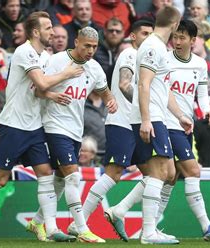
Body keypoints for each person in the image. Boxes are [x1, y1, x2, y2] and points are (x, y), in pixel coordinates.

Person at [0, 11, 82, 243]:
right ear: (36, 32)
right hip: (13, 125)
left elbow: (38, 89)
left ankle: (50, 228)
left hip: (34, 127)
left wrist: (52, 96)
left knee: (45, 173)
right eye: (48, 28)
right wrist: (66, 73)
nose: (53, 32)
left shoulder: (44, 56)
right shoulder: (24, 52)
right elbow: (41, 81)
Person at [62, 19, 153, 242]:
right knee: (114, 172)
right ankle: (79, 221)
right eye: (143, 33)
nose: (147, 38)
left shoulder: (145, 59)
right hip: (122, 122)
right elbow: (124, 84)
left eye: (151, 34)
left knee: (156, 175)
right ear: (133, 36)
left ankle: (123, 213)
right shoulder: (130, 55)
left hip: (136, 124)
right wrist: (147, 110)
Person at [30, 26, 117, 243]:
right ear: (76, 41)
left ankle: (37, 221)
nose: (90, 50)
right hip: (53, 125)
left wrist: (110, 100)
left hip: (75, 130)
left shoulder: (95, 68)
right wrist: (52, 95)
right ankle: (81, 228)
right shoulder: (57, 61)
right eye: (86, 45)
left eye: (94, 47)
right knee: (73, 175)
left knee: (60, 179)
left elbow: (104, 91)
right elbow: (36, 88)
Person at [163, 19, 210, 240]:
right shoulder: (164, 61)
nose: (177, 41)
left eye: (182, 37)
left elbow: (201, 94)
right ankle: (206, 226)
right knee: (192, 171)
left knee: (167, 178)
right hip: (167, 123)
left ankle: (125, 212)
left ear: (194, 40)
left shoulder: (201, 64)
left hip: (185, 125)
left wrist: (207, 110)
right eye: (175, 36)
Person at [132, 6, 192, 244]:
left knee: (168, 173)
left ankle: (148, 229)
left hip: (159, 115)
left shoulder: (159, 48)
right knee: (159, 172)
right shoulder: (152, 47)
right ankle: (147, 233)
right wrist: (146, 120)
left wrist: (179, 115)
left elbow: (162, 88)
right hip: (151, 116)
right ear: (175, 25)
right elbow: (143, 85)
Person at [94, 17, 125, 83]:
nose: (114, 33)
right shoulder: (95, 51)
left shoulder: (126, 51)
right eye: (111, 31)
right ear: (105, 32)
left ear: (123, 34)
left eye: (118, 31)